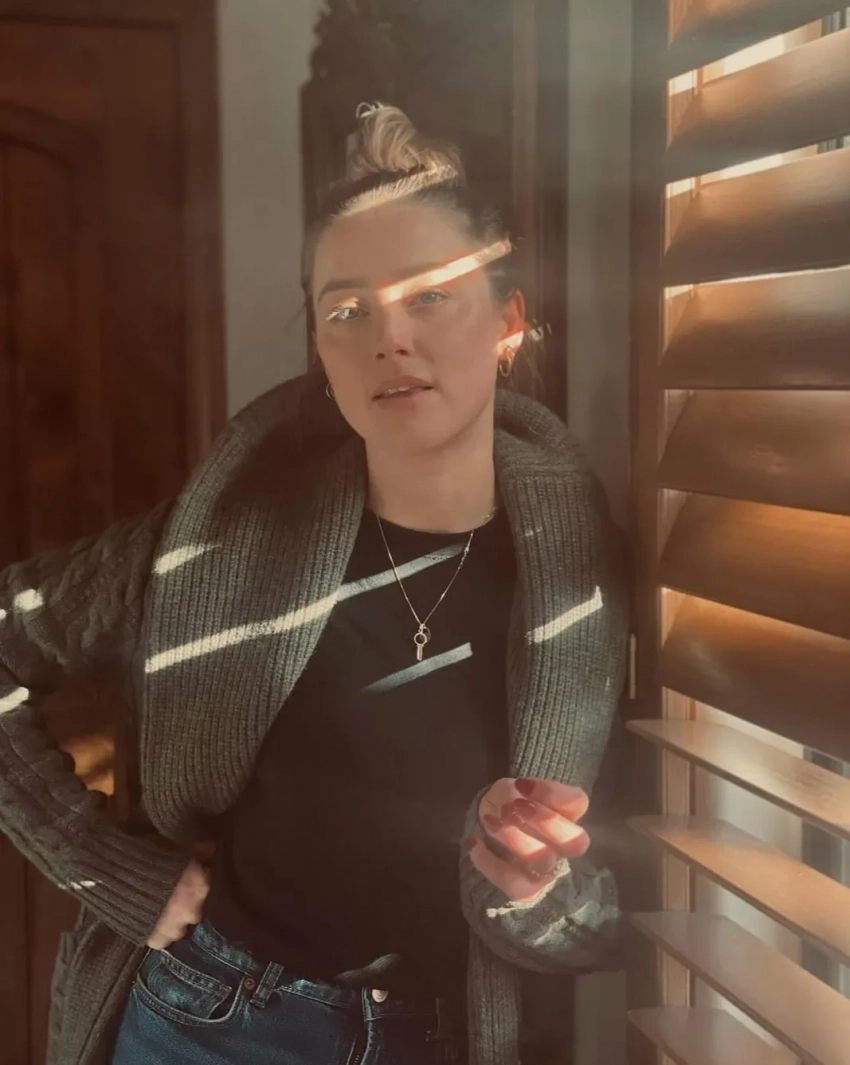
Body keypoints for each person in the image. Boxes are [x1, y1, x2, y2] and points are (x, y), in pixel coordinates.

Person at [0, 104, 627, 1065]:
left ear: (508, 323)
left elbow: (603, 930)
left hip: (436, 1042)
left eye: (431, 296)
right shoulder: (217, 537)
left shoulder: (584, 586)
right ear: (321, 352)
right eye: (347, 311)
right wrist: (106, 869)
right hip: (204, 1025)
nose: (389, 338)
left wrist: (537, 891)